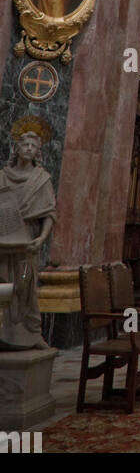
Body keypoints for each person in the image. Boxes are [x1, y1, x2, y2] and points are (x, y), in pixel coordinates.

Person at [0, 117, 56, 350]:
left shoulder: (41, 179)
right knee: (3, 285)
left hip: (28, 241)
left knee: (25, 288)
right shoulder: (3, 175)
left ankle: (31, 334)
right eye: (25, 145)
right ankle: (4, 333)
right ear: (17, 148)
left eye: (33, 146)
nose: (29, 149)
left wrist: (42, 239)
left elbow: (49, 213)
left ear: (38, 152)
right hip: (4, 240)